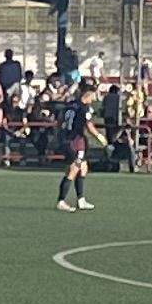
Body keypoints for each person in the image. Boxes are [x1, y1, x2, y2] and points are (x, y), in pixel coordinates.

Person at [55, 81, 97, 212]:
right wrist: (101, 138)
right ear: (88, 94)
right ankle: (61, 201)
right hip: (74, 141)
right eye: (93, 95)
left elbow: (60, 120)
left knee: (83, 167)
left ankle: (81, 200)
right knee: (73, 169)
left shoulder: (70, 104)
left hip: (66, 138)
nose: (94, 98)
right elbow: (89, 126)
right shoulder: (84, 108)